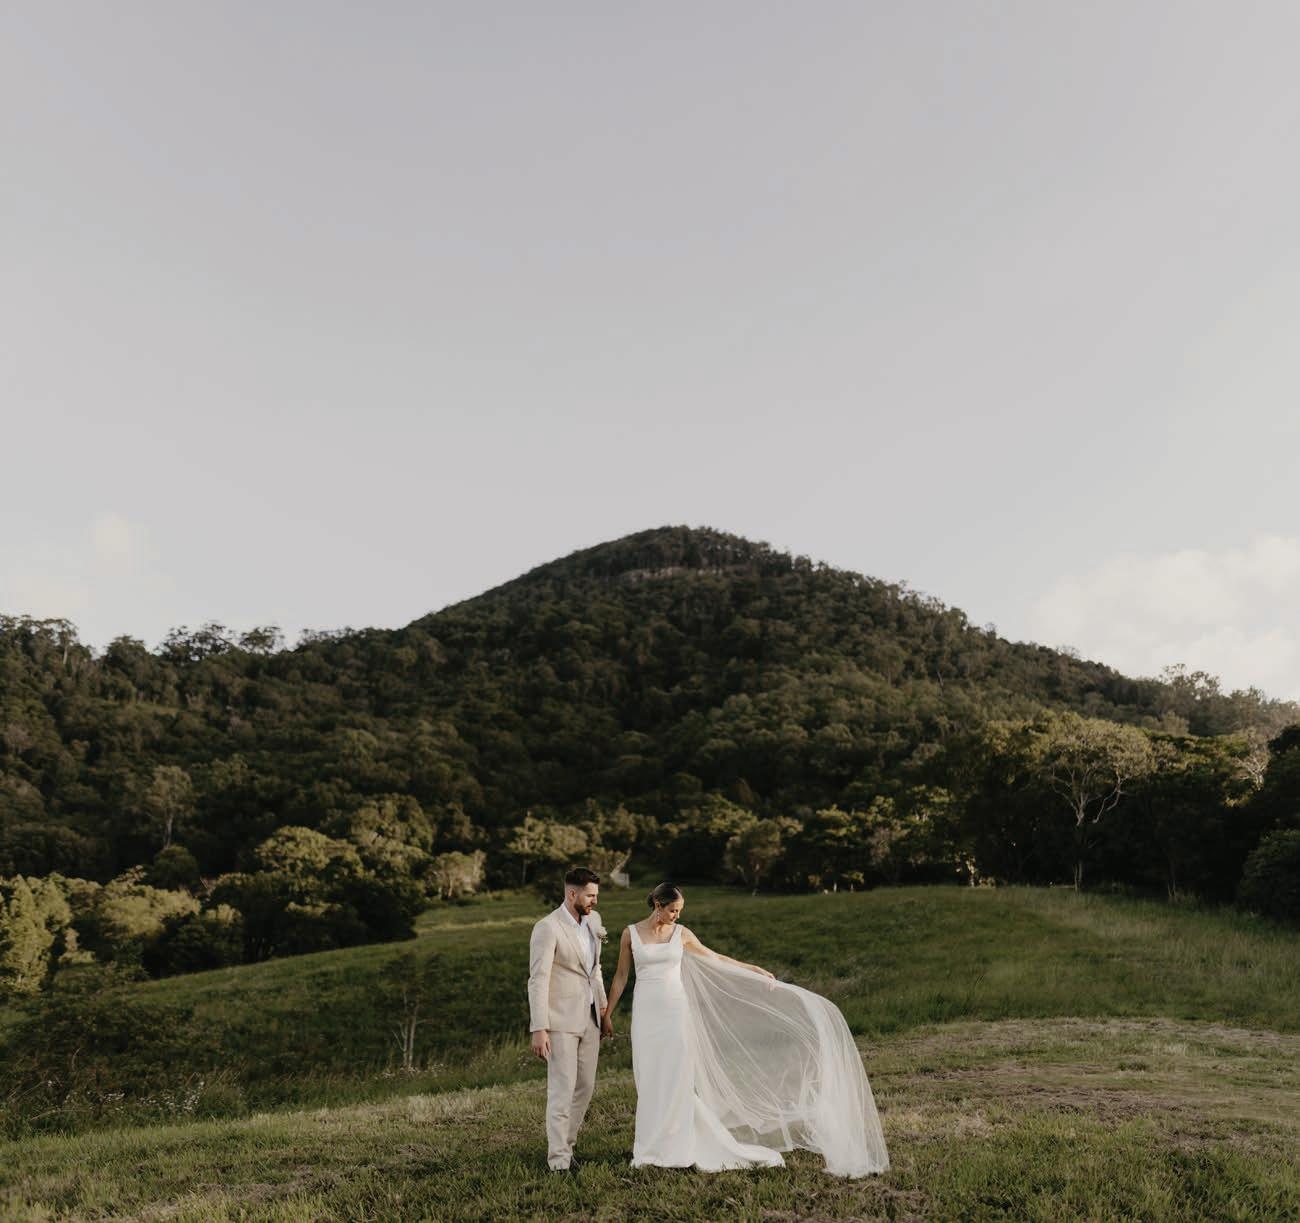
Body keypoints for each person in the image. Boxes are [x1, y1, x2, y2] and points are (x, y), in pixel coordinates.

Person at [602, 882, 890, 1178]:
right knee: (649, 1076)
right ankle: (650, 1146)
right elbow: (621, 976)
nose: (677, 915)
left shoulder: (682, 933)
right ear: (658, 906)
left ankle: (677, 1145)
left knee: (676, 1077)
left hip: (675, 1012)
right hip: (646, 1013)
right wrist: (608, 1013)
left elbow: (714, 958)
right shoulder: (630, 934)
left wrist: (751, 969)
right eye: (673, 910)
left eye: (679, 911)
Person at [527, 867, 612, 1172]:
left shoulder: (593, 921)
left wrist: (603, 1010)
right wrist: (539, 1027)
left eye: (596, 895)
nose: (595, 901)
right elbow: (538, 979)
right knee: (562, 1090)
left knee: (585, 1087)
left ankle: (567, 1146)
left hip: (590, 1017)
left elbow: (595, 970)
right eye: (590, 895)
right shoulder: (547, 927)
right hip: (560, 1020)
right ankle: (559, 1162)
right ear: (572, 893)